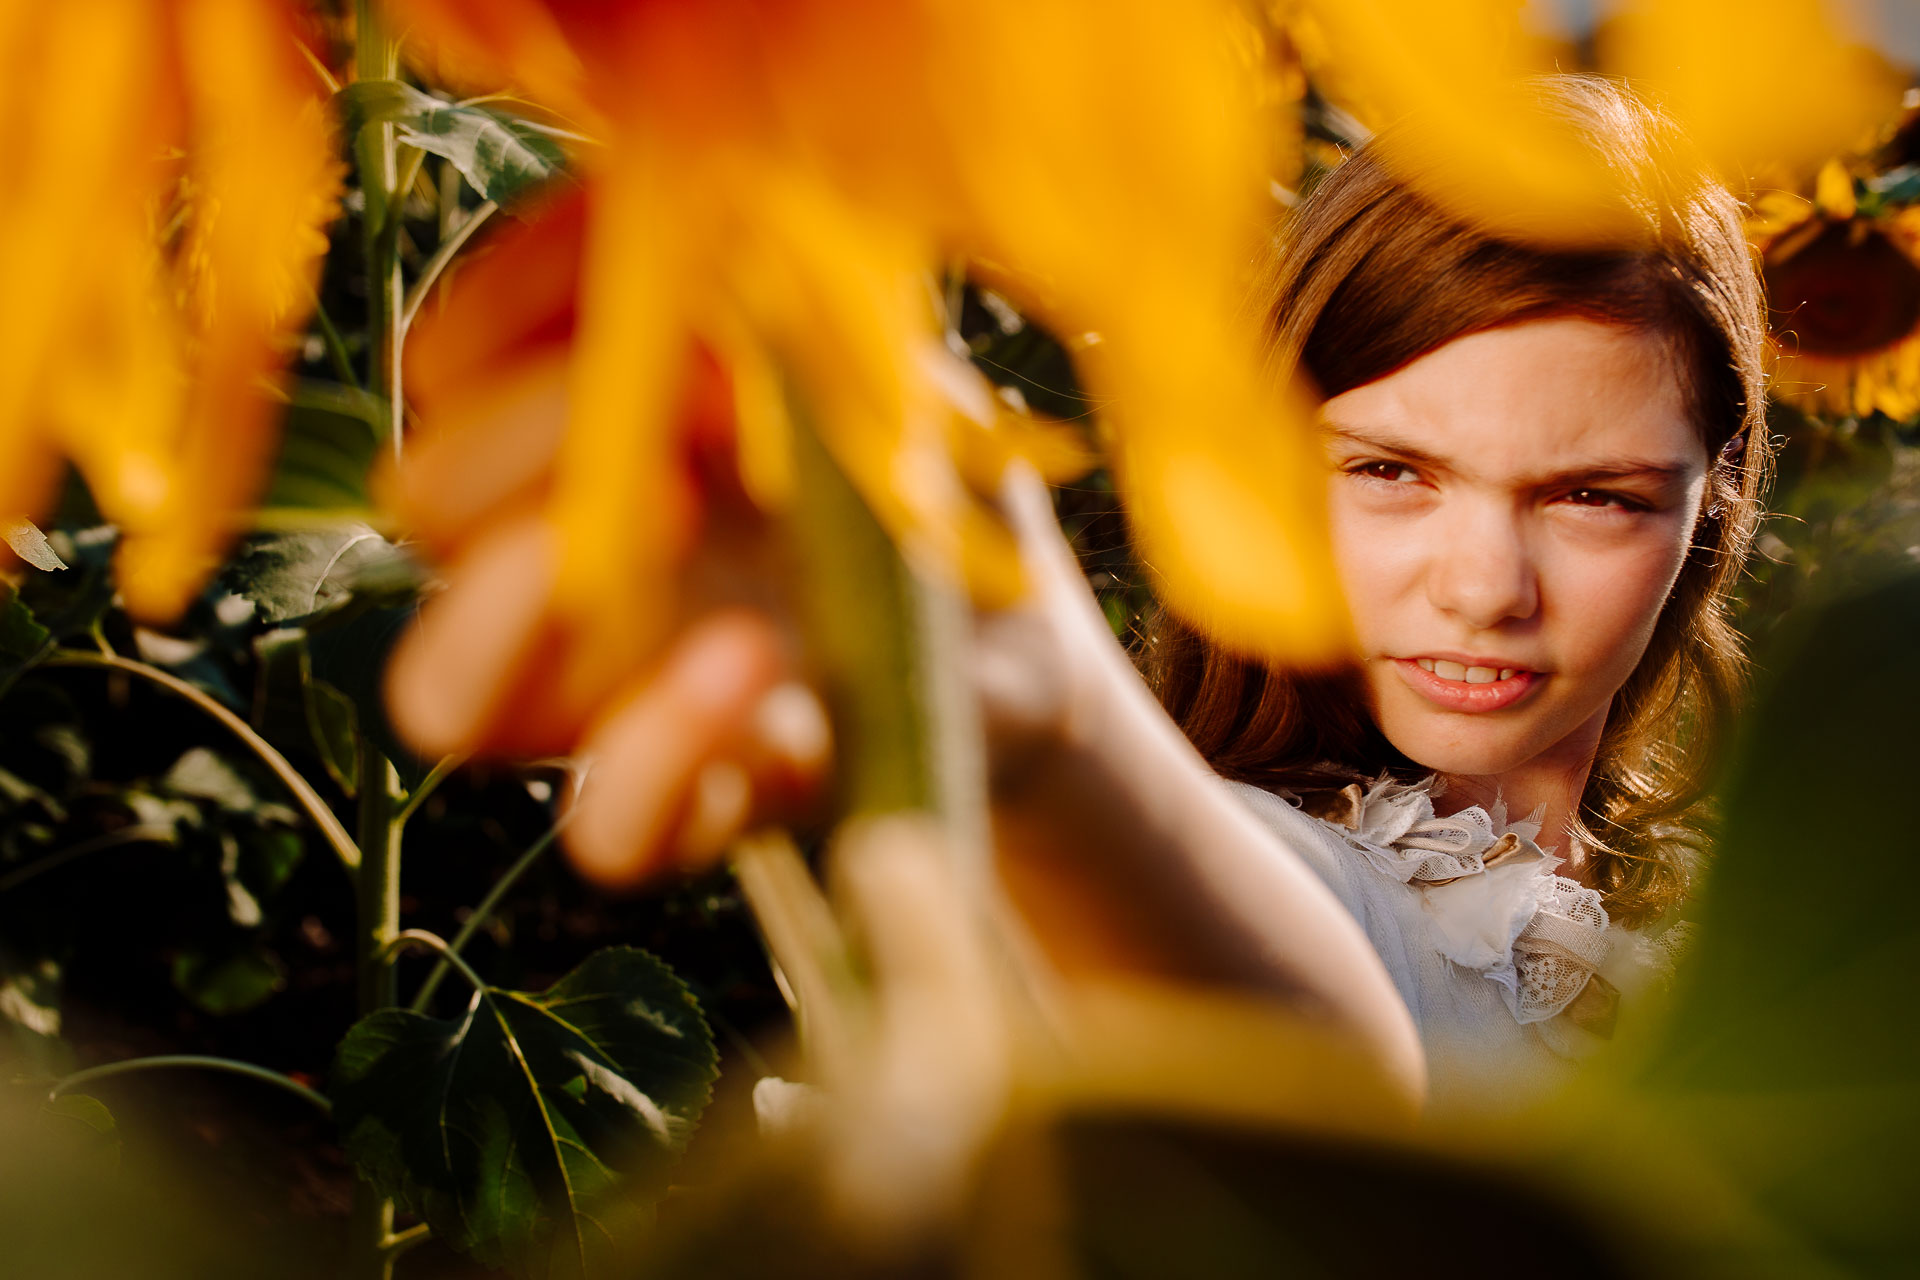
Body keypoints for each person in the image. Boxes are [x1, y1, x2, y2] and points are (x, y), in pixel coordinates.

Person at [393, 75, 1767, 1111]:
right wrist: (1049, 727)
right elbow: (1302, 1078)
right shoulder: (1228, 876)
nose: (1480, 588)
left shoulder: (1768, 918)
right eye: (1389, 471)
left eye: (1593, 497)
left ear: (1717, 506)